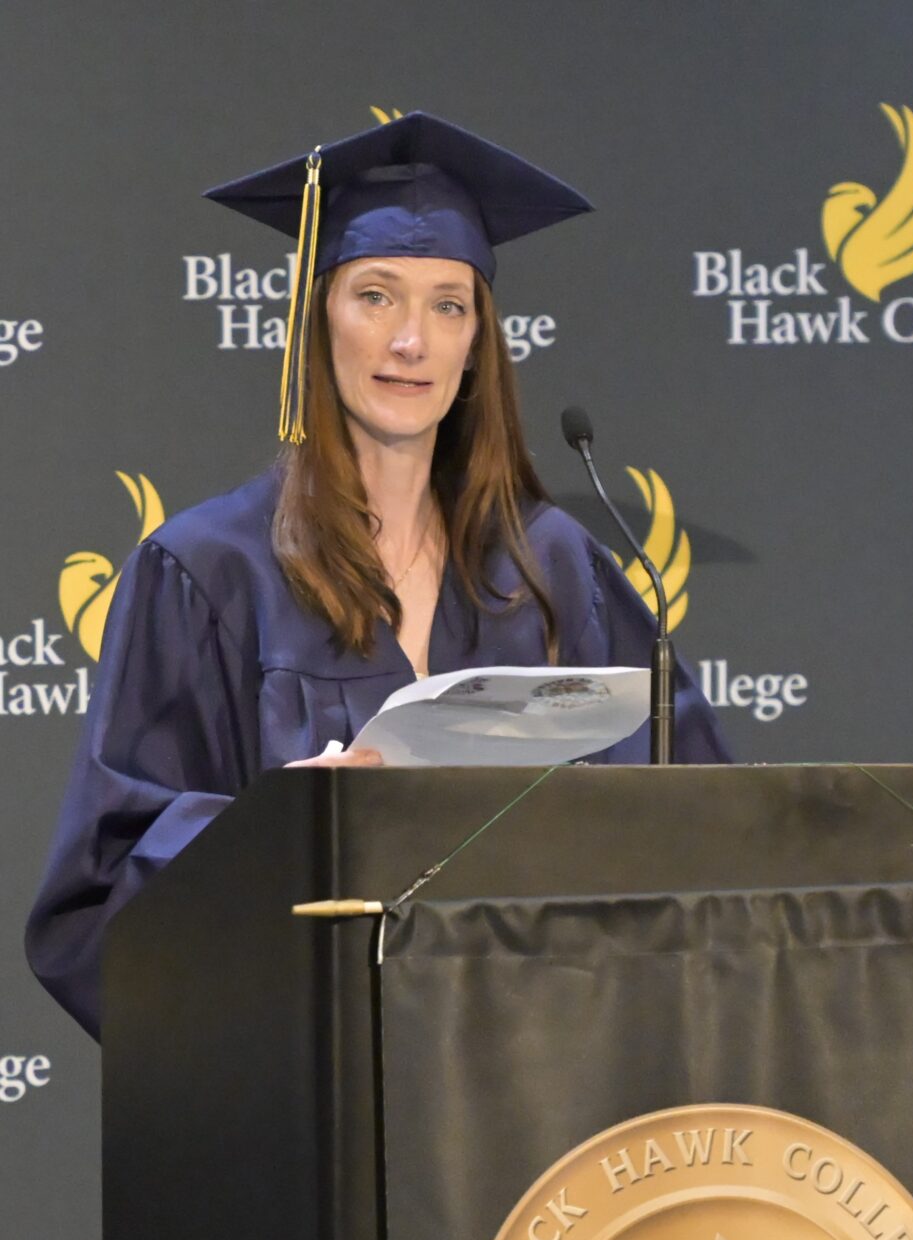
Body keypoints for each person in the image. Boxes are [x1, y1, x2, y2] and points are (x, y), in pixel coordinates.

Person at [26, 112, 729, 1040]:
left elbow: (706, 826)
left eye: (448, 304)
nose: (412, 342)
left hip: (543, 1080)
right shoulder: (209, 572)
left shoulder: (554, 563)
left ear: (479, 340)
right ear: (318, 318)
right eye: (375, 296)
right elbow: (104, 893)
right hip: (312, 1082)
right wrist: (291, 831)